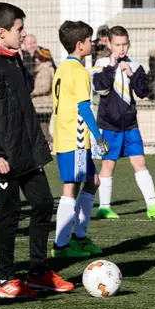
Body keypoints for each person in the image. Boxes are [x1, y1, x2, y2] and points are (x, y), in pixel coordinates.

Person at [0, 3, 74, 298]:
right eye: (19, 29)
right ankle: (6, 279)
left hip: (26, 152)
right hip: (2, 158)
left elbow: (22, 109)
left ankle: (38, 272)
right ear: (1, 33)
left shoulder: (13, 60)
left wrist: (38, 141)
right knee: (9, 214)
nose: (24, 34)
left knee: (42, 203)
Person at [91, 26, 155, 220]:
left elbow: (143, 92)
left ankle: (152, 204)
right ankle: (104, 207)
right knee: (108, 165)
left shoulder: (135, 65)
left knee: (140, 162)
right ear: (109, 44)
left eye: (124, 44)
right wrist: (112, 67)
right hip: (109, 124)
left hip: (130, 124)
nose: (121, 49)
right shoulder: (101, 63)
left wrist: (132, 75)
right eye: (117, 45)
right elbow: (100, 88)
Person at [50, 20, 109, 258]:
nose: (92, 43)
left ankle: (79, 238)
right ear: (79, 45)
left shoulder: (63, 68)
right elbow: (84, 108)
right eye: (89, 40)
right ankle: (62, 246)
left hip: (65, 136)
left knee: (93, 181)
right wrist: (98, 137)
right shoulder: (80, 72)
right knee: (70, 188)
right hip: (75, 139)